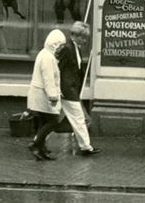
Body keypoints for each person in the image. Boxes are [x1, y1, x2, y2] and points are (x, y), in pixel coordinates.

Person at [57, 21, 101, 156]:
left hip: (71, 89)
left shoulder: (76, 49)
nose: (85, 40)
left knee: (54, 120)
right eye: (83, 37)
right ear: (75, 35)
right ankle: (86, 147)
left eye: (85, 38)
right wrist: (60, 88)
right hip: (67, 90)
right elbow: (59, 69)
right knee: (78, 118)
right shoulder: (67, 49)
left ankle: (38, 141)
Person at [27, 29, 67, 161]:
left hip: (40, 94)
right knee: (53, 121)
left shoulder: (45, 54)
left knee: (44, 121)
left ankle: (41, 149)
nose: (61, 48)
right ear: (55, 44)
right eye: (61, 45)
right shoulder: (48, 58)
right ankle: (35, 145)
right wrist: (53, 96)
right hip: (43, 96)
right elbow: (48, 79)